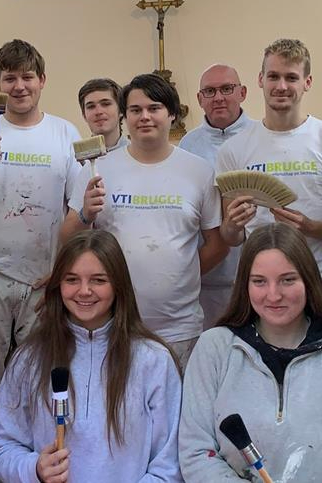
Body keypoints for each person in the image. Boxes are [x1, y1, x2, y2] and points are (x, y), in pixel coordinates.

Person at [0, 39, 81, 448]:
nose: (19, 86)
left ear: (42, 80)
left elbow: (76, 210)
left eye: (27, 77)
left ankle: (31, 457)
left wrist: (60, 270)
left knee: (37, 377)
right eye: (10, 78)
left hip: (42, 280)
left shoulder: (64, 133)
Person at [179, 223, 322, 482]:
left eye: (288, 280)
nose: (273, 295)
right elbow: (196, 452)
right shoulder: (213, 348)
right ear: (244, 284)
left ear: (308, 280)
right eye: (259, 281)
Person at [60, 73, 230, 366]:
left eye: (154, 108)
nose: (145, 117)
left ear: (172, 113)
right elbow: (67, 239)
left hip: (180, 329)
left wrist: (182, 273)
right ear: (125, 116)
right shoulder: (97, 170)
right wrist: (86, 214)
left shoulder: (199, 171)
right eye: (136, 110)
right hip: (114, 324)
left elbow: (218, 244)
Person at [0, 230, 183, 483]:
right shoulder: (28, 359)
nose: (84, 291)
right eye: (72, 279)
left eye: (98, 280)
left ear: (118, 285)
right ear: (58, 285)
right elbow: (4, 447)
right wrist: (34, 468)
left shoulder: (154, 361)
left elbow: (168, 465)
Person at [217, 39, 322, 300]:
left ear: (307, 82)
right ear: (261, 79)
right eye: (273, 76)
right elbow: (230, 237)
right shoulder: (233, 149)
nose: (281, 86)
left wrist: (311, 227)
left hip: (319, 285)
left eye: (291, 77)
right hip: (260, 288)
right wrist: (233, 224)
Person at [178, 64, 255, 327]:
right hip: (207, 278)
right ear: (199, 99)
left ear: (243, 92)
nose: (218, 97)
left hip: (254, 270)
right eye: (210, 91)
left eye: (227, 89)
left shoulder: (262, 136)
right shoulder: (188, 145)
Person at [77, 78, 128, 152]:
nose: (98, 112)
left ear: (121, 110)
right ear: (84, 115)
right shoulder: (73, 157)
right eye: (91, 106)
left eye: (106, 104)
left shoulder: (138, 154)